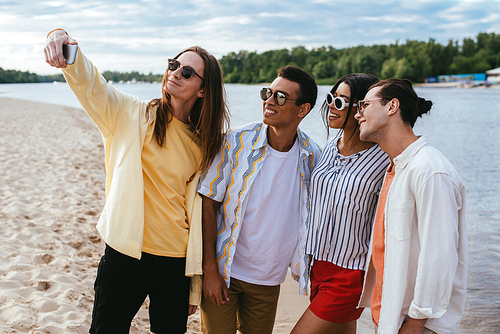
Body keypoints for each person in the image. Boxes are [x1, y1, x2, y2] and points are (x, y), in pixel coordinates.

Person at [44, 28, 230, 334]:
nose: (176, 74)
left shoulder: (204, 145)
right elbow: (91, 85)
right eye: (173, 65)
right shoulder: (130, 113)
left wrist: (194, 285)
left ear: (202, 90)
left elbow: (197, 217)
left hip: (175, 261)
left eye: (187, 72)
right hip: (125, 254)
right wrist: (63, 40)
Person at [197, 65, 322, 334]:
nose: (269, 100)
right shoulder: (236, 141)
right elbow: (208, 199)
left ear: (303, 109)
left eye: (280, 97)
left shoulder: (313, 157)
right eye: (268, 92)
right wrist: (209, 269)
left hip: (268, 278)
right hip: (224, 269)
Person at [355, 79, 467, 334]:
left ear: (392, 106)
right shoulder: (396, 166)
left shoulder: (430, 170)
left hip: (417, 326)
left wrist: (416, 323)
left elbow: (440, 256)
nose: (357, 113)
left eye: (364, 104)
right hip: (390, 318)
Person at [291, 74, 390, 334]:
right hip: (318, 265)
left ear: (362, 108)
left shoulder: (383, 160)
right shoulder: (328, 148)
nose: (331, 107)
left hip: (350, 273)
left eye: (341, 101)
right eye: (330, 99)